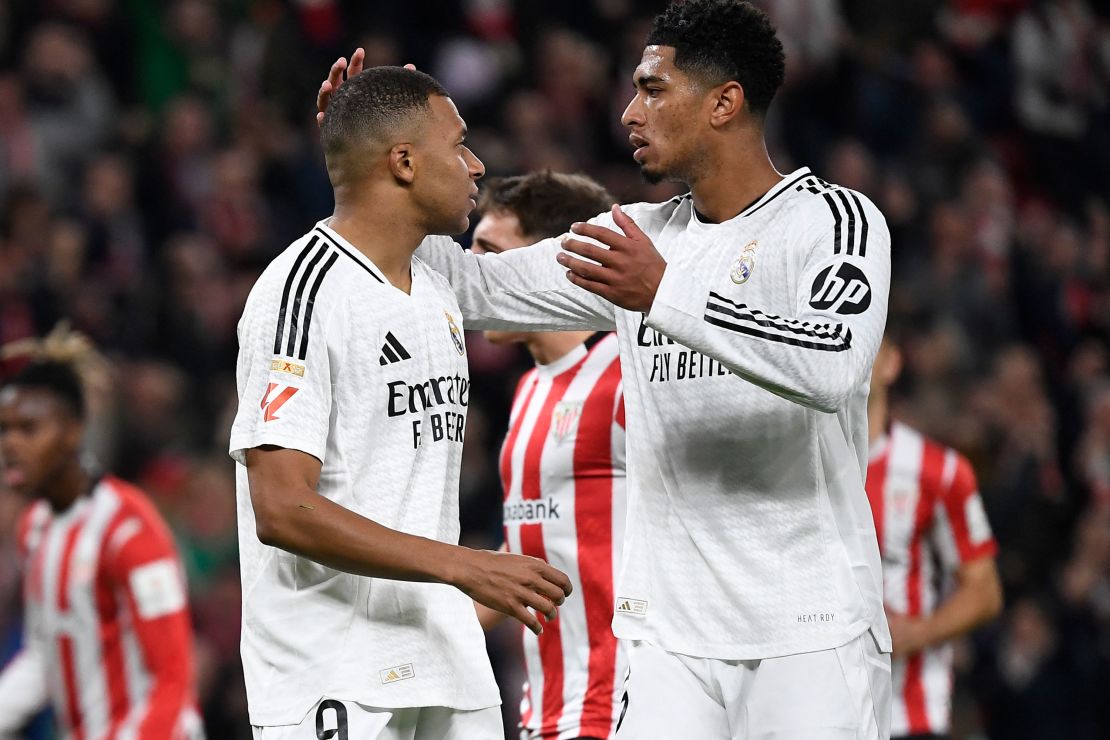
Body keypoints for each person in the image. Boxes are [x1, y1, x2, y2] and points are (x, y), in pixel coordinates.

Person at [318, 1, 893, 737]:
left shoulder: (832, 221)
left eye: (653, 89)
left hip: (808, 629)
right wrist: (367, 171)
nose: (629, 112)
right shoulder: (637, 236)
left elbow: (832, 365)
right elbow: (472, 286)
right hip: (667, 641)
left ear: (725, 102)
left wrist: (667, 294)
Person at [230, 66, 572, 739]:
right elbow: (282, 509)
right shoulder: (298, 295)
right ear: (405, 161)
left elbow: (563, 280)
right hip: (337, 671)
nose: (476, 165)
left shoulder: (439, 277)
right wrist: (464, 565)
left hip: (446, 660)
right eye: (459, 144)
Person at [469, 172, 628, 740]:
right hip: (549, 708)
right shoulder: (529, 389)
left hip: (624, 707)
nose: (472, 271)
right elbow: (537, 540)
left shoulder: (625, 375)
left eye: (490, 253)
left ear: (550, 263)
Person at [0, 329, 204, 739]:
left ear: (73, 432)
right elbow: (46, 655)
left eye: (29, 429)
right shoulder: (35, 528)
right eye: (4, 429)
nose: (11, 444)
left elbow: (173, 678)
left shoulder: (128, 529)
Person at [865, 331, 1003, 739]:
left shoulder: (939, 470)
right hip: (817, 713)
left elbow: (985, 591)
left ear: (892, 362)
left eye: (867, 347)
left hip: (911, 716)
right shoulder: (796, 466)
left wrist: (915, 633)